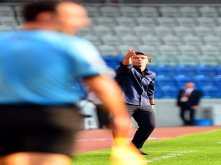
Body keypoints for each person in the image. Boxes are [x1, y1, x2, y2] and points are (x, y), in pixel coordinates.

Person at [0, 1, 145, 165]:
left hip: (5, 115)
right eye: (75, 17)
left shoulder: (2, 42)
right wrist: (119, 115)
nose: (85, 22)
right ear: (45, 17)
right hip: (53, 115)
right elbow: (100, 84)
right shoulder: (71, 44)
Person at [115, 50, 156, 155]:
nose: (139, 60)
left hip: (144, 103)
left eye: (142, 58)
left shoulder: (151, 74)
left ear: (148, 61)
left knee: (149, 125)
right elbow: (125, 65)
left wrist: (151, 101)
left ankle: (134, 147)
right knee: (122, 126)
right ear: (131, 60)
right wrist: (128, 56)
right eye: (136, 58)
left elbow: (150, 88)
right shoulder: (127, 70)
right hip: (125, 101)